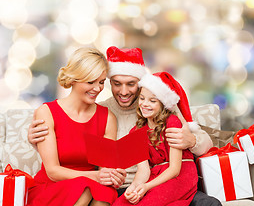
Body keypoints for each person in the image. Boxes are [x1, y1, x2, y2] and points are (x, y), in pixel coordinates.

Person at [28, 46, 221, 205]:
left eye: (131, 84)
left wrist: (192, 140)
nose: (124, 91)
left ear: (141, 83)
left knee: (209, 204)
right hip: (125, 189)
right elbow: (95, 160)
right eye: (116, 83)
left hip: (165, 182)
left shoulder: (159, 106)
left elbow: (206, 144)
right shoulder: (103, 112)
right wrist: (38, 141)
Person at [27, 47, 118, 206]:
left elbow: (105, 170)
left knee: (105, 192)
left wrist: (111, 175)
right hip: (51, 187)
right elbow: (53, 172)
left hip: (89, 185)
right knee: (84, 188)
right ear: (74, 79)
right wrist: (97, 176)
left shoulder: (108, 118)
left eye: (102, 82)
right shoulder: (47, 112)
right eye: (91, 82)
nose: (97, 89)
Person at [113, 72, 199, 206]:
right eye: (142, 98)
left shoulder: (172, 122)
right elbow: (143, 170)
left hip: (180, 175)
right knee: (121, 203)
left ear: (163, 104)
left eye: (152, 101)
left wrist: (146, 187)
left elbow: (175, 169)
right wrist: (134, 187)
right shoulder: (135, 131)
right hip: (155, 175)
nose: (145, 104)